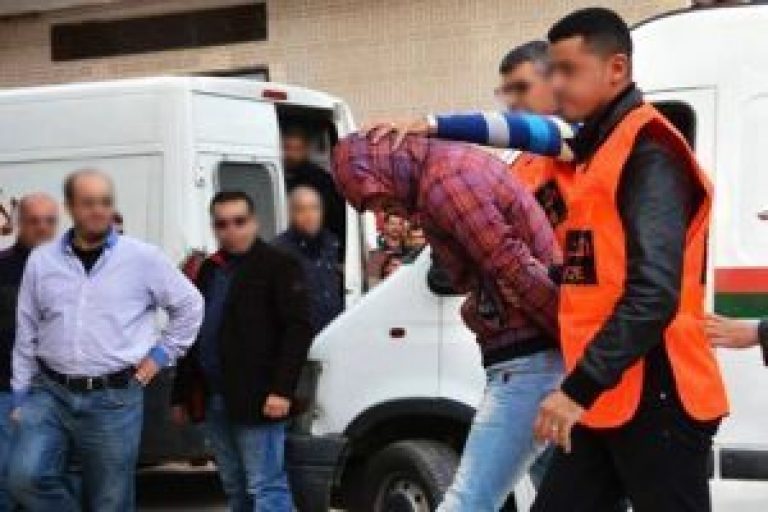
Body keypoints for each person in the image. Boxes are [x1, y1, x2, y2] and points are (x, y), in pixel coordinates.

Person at [523, 9, 726, 511]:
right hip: (609, 395)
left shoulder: (648, 151)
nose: (556, 84)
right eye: (552, 71)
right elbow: (596, 269)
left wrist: (577, 388)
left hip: (658, 394)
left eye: (568, 70)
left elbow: (653, 294)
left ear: (616, 69)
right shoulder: (599, 151)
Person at [332, 133, 563, 512]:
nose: (386, 214)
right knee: (564, 494)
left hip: (526, 358)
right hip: (535, 352)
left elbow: (513, 268)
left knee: (468, 499)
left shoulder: (444, 184)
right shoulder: (448, 171)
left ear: (384, 171)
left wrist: (567, 333)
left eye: (381, 200)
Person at [8, 170, 203, 511]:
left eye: (104, 202)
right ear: (71, 207)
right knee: (24, 479)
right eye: (88, 202)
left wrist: (161, 355)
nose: (98, 210)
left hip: (114, 398)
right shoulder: (43, 260)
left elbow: (190, 305)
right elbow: (27, 329)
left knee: (110, 499)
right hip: (50, 393)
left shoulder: (143, 258)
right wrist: (21, 394)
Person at [171, 191, 313, 512]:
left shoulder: (279, 265)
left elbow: (298, 330)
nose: (231, 230)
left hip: (260, 397)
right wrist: (180, 394)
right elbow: (194, 331)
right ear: (214, 227)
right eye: (222, 224)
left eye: (239, 221)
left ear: (254, 222)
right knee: (234, 485)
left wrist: (282, 390)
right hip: (215, 397)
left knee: (265, 485)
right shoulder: (210, 269)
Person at [0, 193, 59, 510]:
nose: (42, 228)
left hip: (58, 392)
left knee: (52, 477)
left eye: (49, 221)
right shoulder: (3, 267)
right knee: (6, 479)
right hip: (7, 391)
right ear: (19, 223)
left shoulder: (69, 270)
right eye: (33, 221)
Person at [274, 186, 343, 334]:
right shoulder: (278, 250)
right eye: (301, 209)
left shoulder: (331, 242)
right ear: (291, 213)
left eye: (314, 208)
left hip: (333, 333)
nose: (309, 215)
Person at [283, 126, 346, 253]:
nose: (290, 155)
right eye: (287, 148)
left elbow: (334, 216)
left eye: (296, 149)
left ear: (305, 150)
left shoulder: (320, 179)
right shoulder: (278, 174)